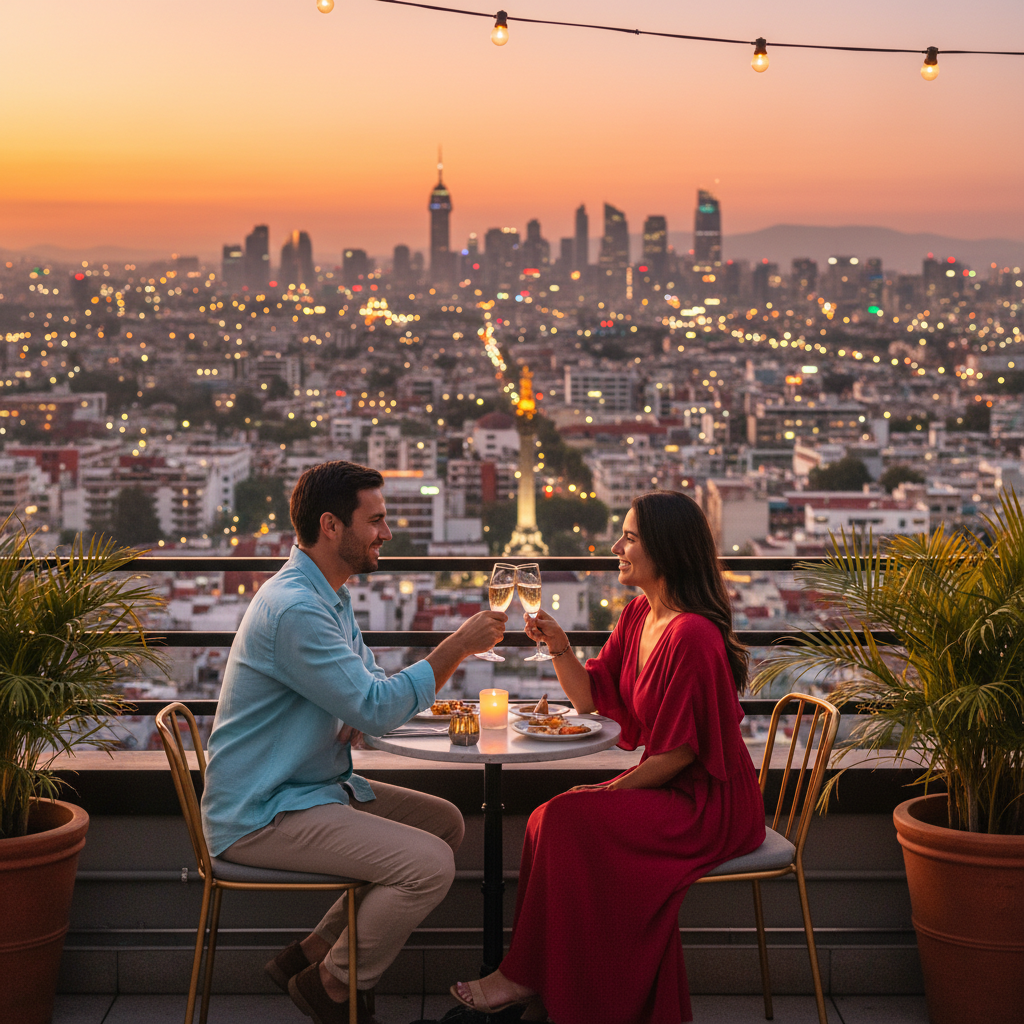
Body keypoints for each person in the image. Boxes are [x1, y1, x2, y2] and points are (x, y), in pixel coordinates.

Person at [200, 460, 507, 1024]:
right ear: (331, 525)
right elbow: (377, 707)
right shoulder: (297, 609)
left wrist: (362, 705)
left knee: (445, 823)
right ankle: (333, 984)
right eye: (376, 520)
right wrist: (457, 646)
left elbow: (368, 697)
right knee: (430, 865)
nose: (387, 533)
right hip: (260, 809)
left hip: (305, 786)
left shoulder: (325, 596)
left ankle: (312, 952)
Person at [451, 490, 766, 1024]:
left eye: (630, 537)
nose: (616, 546)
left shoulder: (692, 635)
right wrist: (559, 647)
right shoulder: (641, 613)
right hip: (671, 787)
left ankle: (527, 977)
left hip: (708, 804)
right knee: (546, 821)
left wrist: (608, 791)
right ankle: (541, 977)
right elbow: (590, 698)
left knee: (564, 817)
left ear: (664, 550)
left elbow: (684, 752)